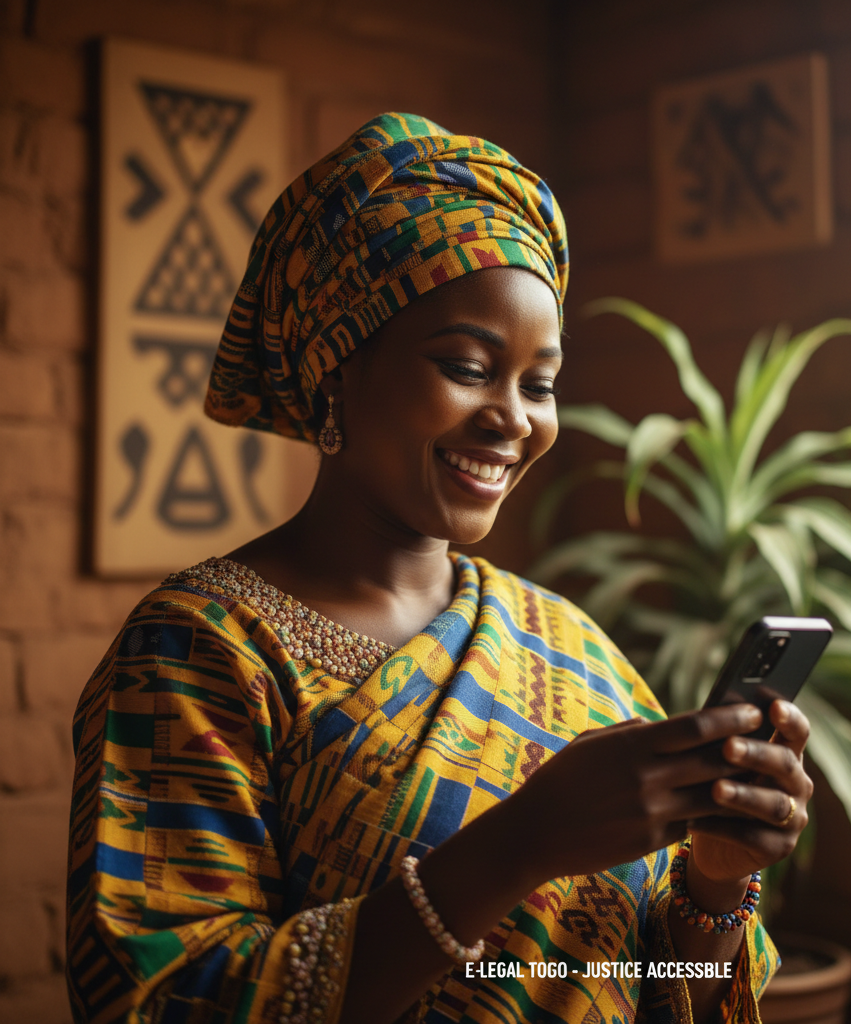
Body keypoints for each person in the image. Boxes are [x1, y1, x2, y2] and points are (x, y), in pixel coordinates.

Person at [67, 113, 813, 1024]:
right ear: (335, 368)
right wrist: (519, 845)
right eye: (468, 366)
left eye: (539, 384)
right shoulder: (198, 652)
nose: (515, 419)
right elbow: (167, 999)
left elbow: (668, 986)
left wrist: (713, 882)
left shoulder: (566, 643)